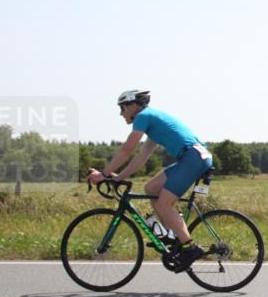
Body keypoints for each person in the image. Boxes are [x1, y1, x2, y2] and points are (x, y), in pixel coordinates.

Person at [87, 90, 213, 271]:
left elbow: (126, 150)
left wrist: (104, 174)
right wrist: (119, 177)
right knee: (151, 188)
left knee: (163, 205)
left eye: (122, 108)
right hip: (193, 157)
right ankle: (174, 236)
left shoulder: (143, 116)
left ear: (133, 105)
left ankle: (190, 248)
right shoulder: (152, 121)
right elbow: (141, 158)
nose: (121, 113)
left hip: (193, 158)